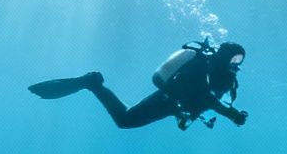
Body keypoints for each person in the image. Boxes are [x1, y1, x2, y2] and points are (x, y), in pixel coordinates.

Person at [29, 41, 248, 130]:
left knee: (126, 120)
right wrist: (232, 115)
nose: (236, 64)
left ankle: (93, 84)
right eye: (235, 59)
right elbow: (206, 98)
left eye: (240, 60)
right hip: (170, 99)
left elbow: (209, 101)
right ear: (225, 56)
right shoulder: (203, 66)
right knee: (126, 120)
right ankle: (93, 83)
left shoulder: (226, 78)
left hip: (176, 105)